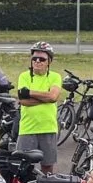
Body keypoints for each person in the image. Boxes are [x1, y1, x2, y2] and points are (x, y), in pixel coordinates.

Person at [16, 41, 62, 170]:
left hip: (48, 128)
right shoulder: (24, 76)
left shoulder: (55, 77)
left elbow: (53, 96)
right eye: (34, 58)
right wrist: (46, 98)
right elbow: (23, 101)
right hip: (27, 128)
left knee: (47, 168)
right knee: (23, 168)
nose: (37, 61)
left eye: (42, 59)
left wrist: (29, 93)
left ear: (49, 62)